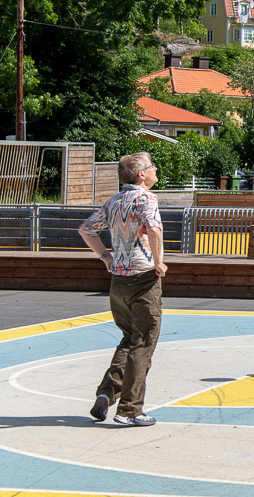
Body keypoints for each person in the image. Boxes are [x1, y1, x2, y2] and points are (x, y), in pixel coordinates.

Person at [77, 151, 168, 426]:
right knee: (143, 343)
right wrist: (159, 261)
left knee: (129, 338)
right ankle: (130, 410)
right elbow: (154, 230)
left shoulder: (113, 201)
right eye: (152, 167)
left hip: (118, 280)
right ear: (141, 174)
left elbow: (86, 229)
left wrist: (106, 257)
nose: (155, 171)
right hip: (142, 278)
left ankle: (107, 392)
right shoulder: (146, 198)